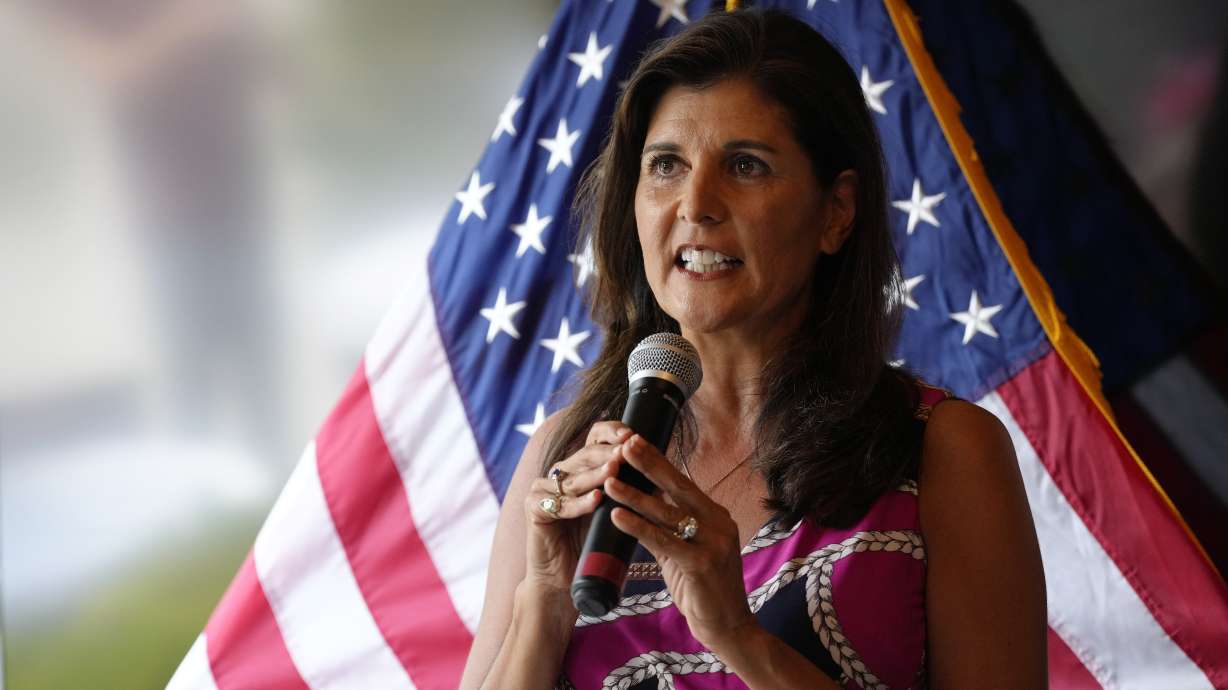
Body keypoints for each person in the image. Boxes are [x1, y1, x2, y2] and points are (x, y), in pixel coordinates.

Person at [461, 9, 1046, 690]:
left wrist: (737, 636)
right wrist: (545, 599)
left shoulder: (946, 450)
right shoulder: (563, 453)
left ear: (836, 213)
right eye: (666, 165)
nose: (696, 203)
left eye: (746, 166)